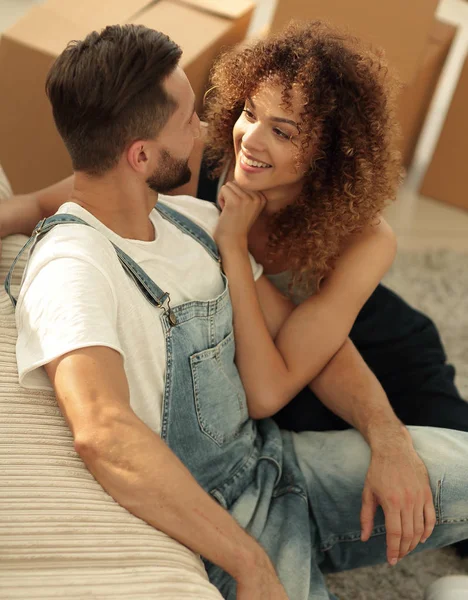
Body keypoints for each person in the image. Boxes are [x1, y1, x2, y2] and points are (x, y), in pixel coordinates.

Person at [2, 23, 468, 599]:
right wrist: (251, 561)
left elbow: (314, 353)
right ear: (144, 154)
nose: (226, 134)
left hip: (357, 349)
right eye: (246, 111)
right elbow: (111, 425)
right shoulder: (128, 226)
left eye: (283, 130)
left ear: (327, 152)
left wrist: (389, 439)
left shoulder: (209, 224)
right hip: (256, 396)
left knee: (427, 467)